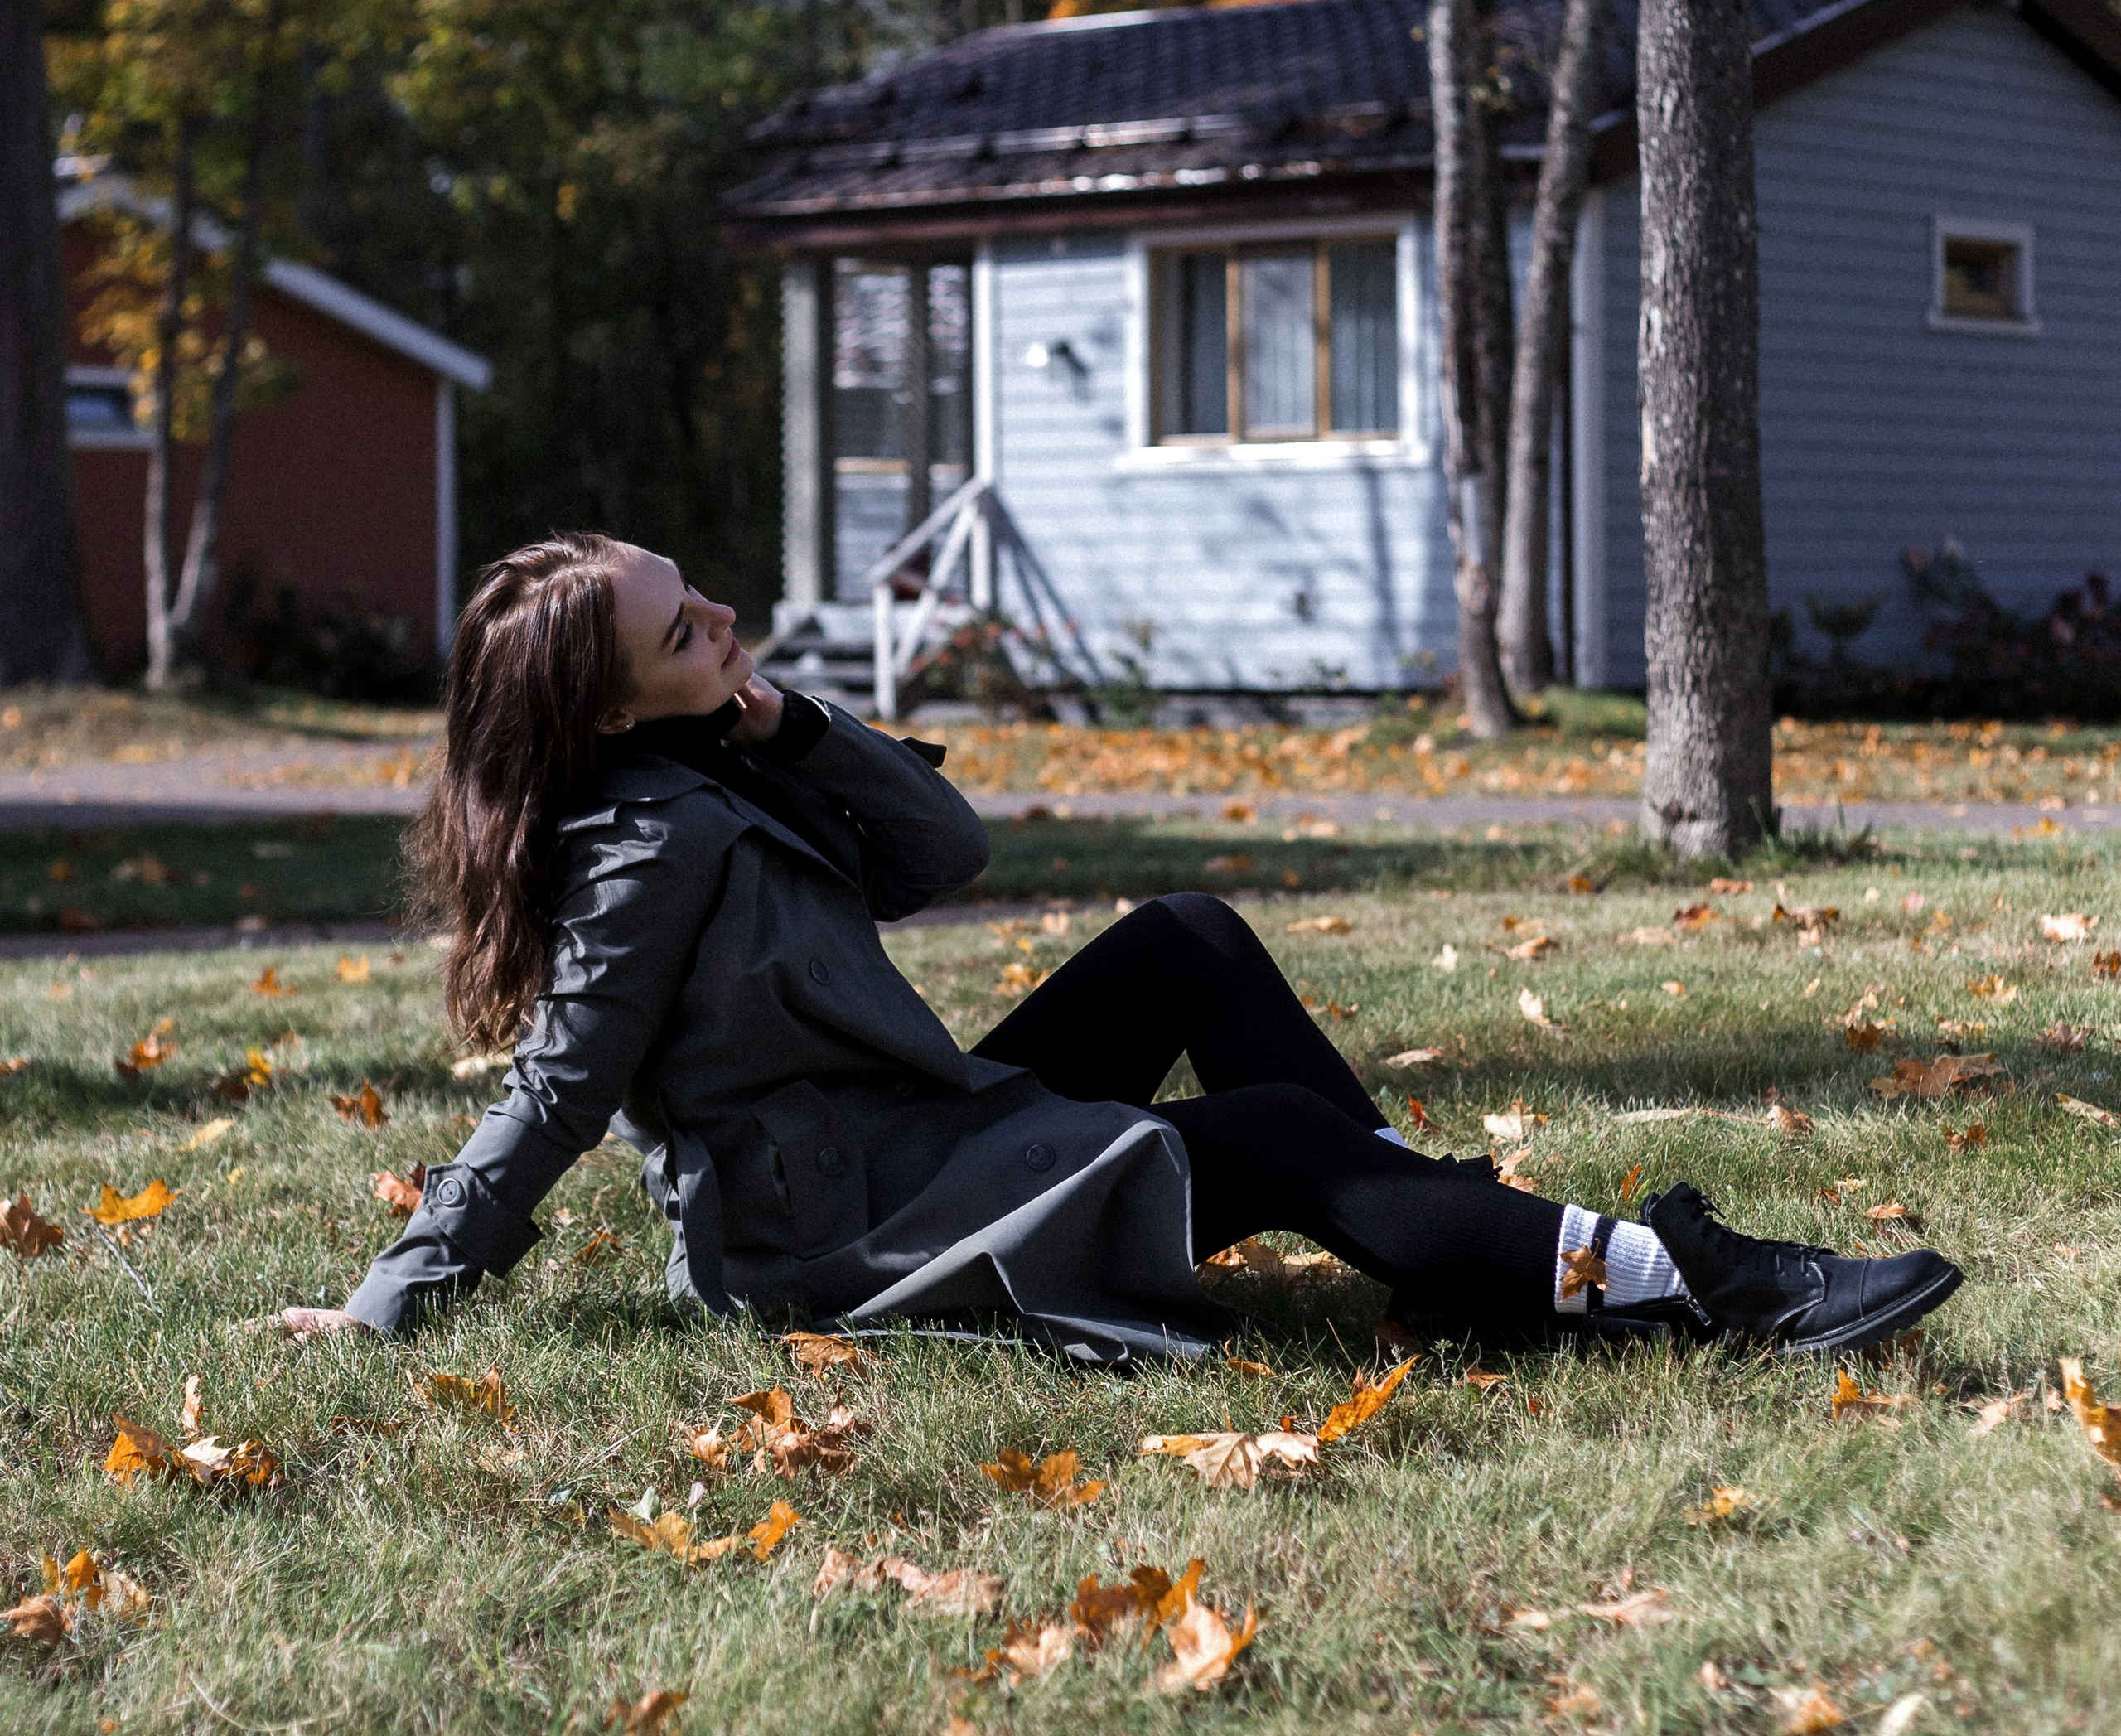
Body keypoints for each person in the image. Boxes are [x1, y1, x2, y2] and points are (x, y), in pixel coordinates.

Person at [277, 534, 1964, 1365]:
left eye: (700, 600)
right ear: (604, 707)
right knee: (1273, 1138)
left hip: (901, 1128)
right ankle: (1682, 1288)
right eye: (684, 633)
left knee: (1185, 939)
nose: (724, 625)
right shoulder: (645, 846)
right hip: (838, 1228)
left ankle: (1460, 1248)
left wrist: (789, 722)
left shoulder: (719, 761)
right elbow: (556, 1094)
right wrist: (386, 1305)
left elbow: (942, 855)